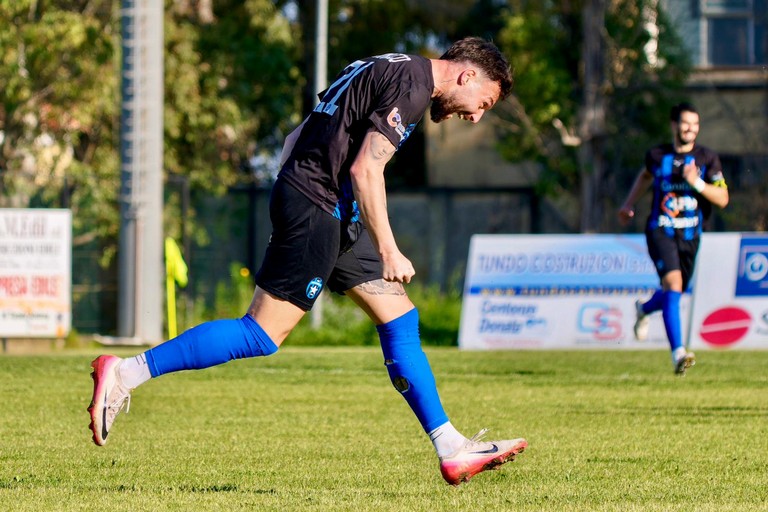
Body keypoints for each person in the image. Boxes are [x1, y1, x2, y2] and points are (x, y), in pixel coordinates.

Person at [88, 37, 526, 486]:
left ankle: (451, 447)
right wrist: (388, 247)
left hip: (327, 208)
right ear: (467, 74)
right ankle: (125, 372)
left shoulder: (383, 63)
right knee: (260, 334)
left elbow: (298, 134)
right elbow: (364, 170)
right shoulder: (413, 85)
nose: (475, 116)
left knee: (400, 320)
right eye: (483, 103)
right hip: (319, 207)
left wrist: (295, 188)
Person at [618, 102, 729, 375]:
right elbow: (645, 176)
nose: (690, 128)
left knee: (675, 292)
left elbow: (723, 199)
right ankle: (679, 353)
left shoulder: (708, 159)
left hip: (691, 234)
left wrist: (697, 184)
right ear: (674, 125)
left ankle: (644, 309)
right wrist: (629, 203)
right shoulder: (657, 155)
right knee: (674, 283)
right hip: (661, 229)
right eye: (685, 123)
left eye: (695, 123)